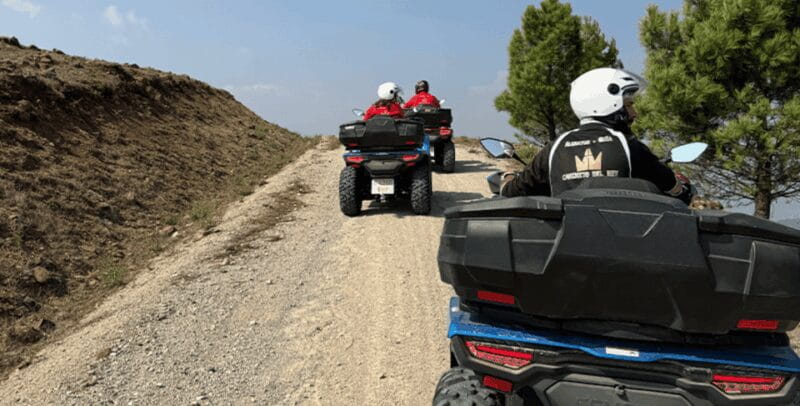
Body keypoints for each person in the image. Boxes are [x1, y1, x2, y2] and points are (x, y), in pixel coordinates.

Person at [501, 67, 691, 203]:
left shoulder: (554, 149)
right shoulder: (628, 147)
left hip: (565, 251)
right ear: (610, 104)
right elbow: (676, 192)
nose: (634, 114)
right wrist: (682, 185)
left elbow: (511, 193)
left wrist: (508, 177)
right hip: (627, 247)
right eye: (629, 105)